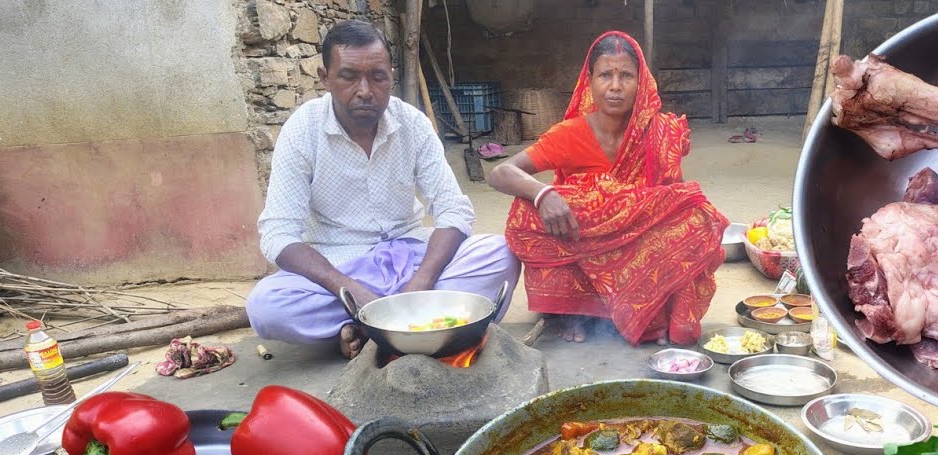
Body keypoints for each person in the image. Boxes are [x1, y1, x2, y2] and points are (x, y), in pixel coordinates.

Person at [246, 20, 520, 359]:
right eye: (348, 76)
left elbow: (453, 208)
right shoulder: (302, 130)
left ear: (390, 76)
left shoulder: (413, 124)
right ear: (324, 77)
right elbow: (278, 233)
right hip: (340, 267)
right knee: (266, 305)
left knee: (500, 252)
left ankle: (366, 330)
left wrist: (421, 282)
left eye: (377, 77)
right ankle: (411, 324)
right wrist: (350, 289)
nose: (365, 90)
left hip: (412, 259)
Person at [488, 31, 727, 345]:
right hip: (584, 242)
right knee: (526, 211)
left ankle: (653, 311)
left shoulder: (659, 132)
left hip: (639, 248)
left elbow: (673, 201)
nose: (615, 86)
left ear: (640, 82)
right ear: (589, 81)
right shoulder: (569, 134)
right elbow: (501, 172)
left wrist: (637, 212)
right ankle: (576, 309)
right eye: (605, 75)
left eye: (626, 75)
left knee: (695, 215)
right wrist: (543, 193)